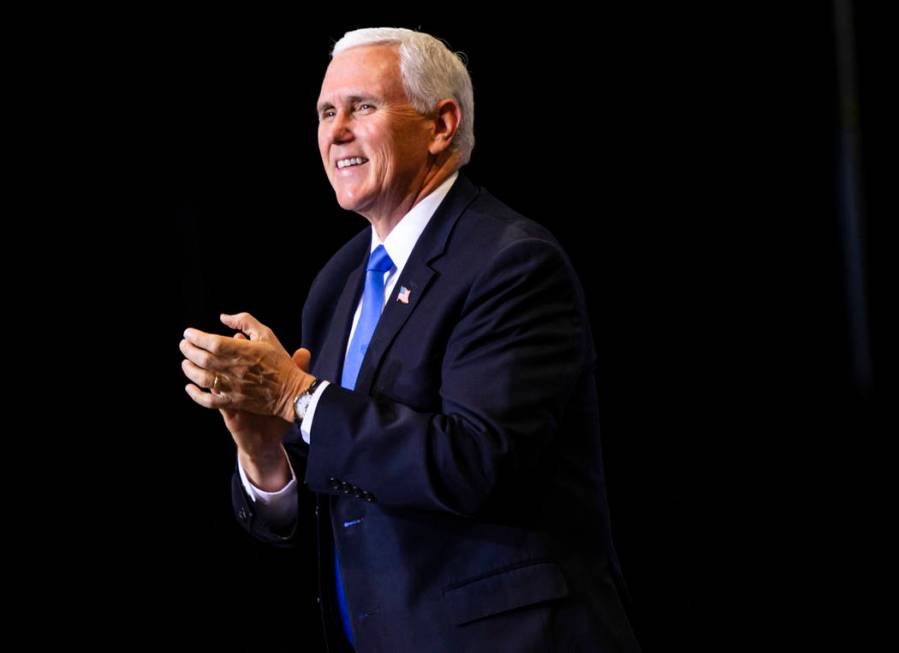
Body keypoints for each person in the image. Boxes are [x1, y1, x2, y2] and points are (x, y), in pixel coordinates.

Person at [180, 27, 640, 652]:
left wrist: (299, 397)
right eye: (325, 112)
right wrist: (267, 458)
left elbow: (474, 462)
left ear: (441, 125)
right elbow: (335, 494)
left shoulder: (512, 263)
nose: (335, 130)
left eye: (361, 107)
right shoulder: (339, 280)